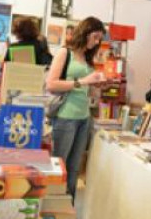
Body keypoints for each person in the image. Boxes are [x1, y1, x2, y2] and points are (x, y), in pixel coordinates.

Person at [46, 17, 107, 200]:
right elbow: (51, 84)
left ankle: (67, 207)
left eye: (99, 39)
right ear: (86, 32)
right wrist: (82, 82)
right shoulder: (65, 53)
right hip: (65, 117)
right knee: (59, 164)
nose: (96, 42)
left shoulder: (87, 59)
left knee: (74, 168)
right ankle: (52, 207)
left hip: (84, 118)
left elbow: (86, 90)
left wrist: (97, 86)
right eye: (95, 37)